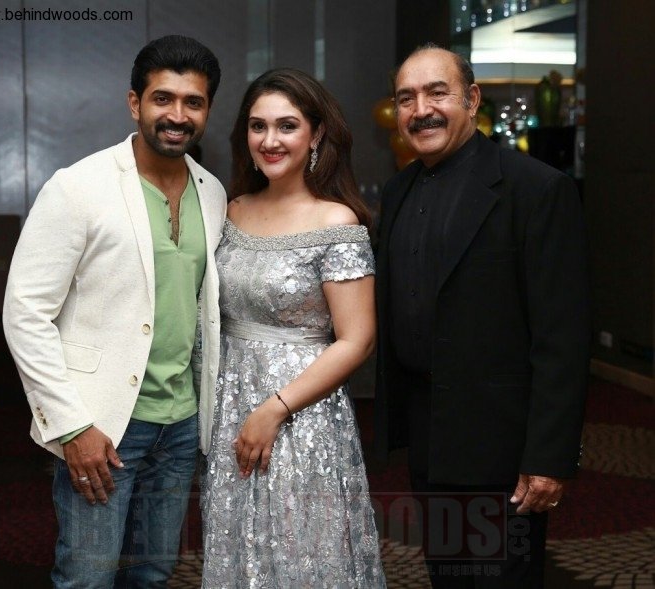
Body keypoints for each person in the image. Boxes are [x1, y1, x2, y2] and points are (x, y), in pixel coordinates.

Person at [2, 35, 226, 587]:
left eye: (193, 102)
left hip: (180, 426)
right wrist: (72, 426)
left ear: (207, 110)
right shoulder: (78, 187)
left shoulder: (213, 193)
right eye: (162, 98)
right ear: (134, 103)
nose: (177, 115)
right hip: (102, 425)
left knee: (153, 574)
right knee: (89, 577)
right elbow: (25, 313)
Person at [374, 44, 590, 588]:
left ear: (471, 100)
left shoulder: (536, 189)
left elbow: (563, 338)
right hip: (429, 438)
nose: (421, 110)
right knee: (448, 576)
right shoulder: (397, 192)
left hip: (504, 449)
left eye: (437, 93)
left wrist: (549, 457)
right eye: (406, 98)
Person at [200, 68, 386, 588]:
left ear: (316, 133)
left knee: (301, 550)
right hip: (230, 409)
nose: (270, 140)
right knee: (240, 550)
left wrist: (274, 409)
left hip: (301, 413)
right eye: (258, 126)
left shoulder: (337, 223)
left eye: (287, 126)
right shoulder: (231, 210)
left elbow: (358, 340)